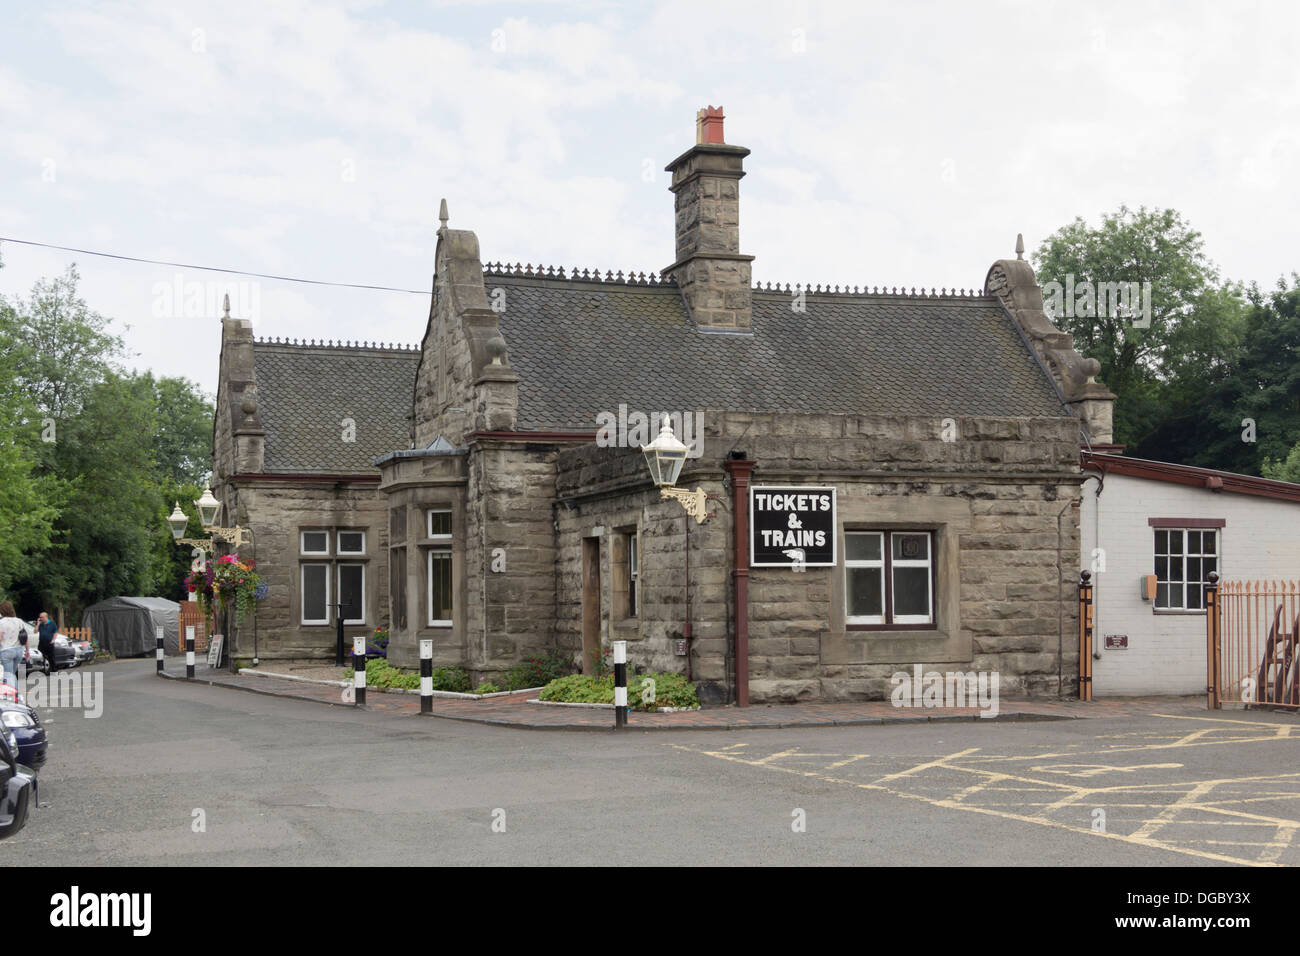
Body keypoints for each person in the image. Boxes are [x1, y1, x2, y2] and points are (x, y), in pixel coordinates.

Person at [0, 602, 25, 689]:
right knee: (12, 674)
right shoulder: (19, 621)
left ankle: (13, 696)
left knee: (8, 675)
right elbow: (25, 637)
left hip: (6, 651)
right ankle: (15, 694)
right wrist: (27, 651)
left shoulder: (1, 622)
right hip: (18, 650)